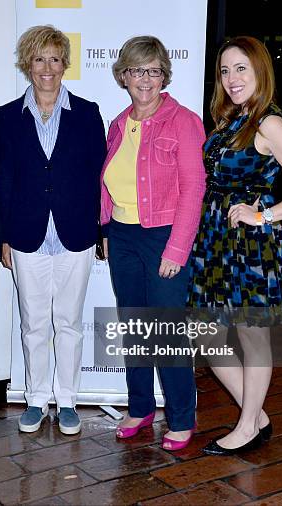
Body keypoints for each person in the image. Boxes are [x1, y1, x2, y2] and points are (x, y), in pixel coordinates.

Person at [188, 36, 282, 455]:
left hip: (250, 245)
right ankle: (258, 414)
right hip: (215, 241)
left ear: (261, 71)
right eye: (225, 71)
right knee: (203, 335)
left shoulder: (269, 122)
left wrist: (263, 215)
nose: (232, 78)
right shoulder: (234, 118)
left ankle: (248, 425)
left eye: (241, 68)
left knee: (252, 338)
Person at [0, 25, 106, 435]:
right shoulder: (8, 117)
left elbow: (98, 176)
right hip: (26, 234)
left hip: (74, 233)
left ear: (65, 64)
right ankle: (36, 399)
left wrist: (101, 229)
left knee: (69, 322)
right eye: (39, 59)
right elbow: (3, 179)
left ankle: (68, 401)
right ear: (29, 64)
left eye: (55, 59)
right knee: (33, 323)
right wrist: (4, 236)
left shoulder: (88, 112)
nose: (47, 67)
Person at [100, 36, 205, 450]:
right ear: (123, 74)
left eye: (154, 71)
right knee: (135, 327)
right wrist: (105, 230)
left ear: (164, 75)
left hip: (163, 234)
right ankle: (140, 407)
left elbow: (194, 188)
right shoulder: (118, 123)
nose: (145, 79)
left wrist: (176, 249)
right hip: (122, 236)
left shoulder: (182, 120)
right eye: (137, 70)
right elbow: (108, 183)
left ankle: (182, 416)